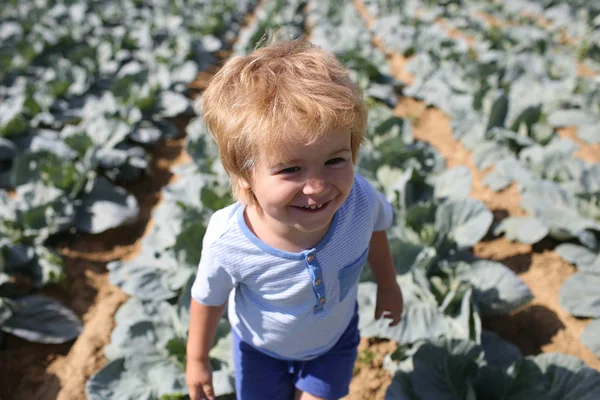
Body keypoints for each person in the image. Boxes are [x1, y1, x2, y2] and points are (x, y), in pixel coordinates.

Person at [186, 38, 404, 400]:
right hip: (259, 351)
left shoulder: (360, 200)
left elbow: (375, 231)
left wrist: (388, 286)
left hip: (333, 344)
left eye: (335, 160)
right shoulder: (229, 241)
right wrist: (197, 359)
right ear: (244, 175)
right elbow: (208, 299)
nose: (317, 187)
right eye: (290, 169)